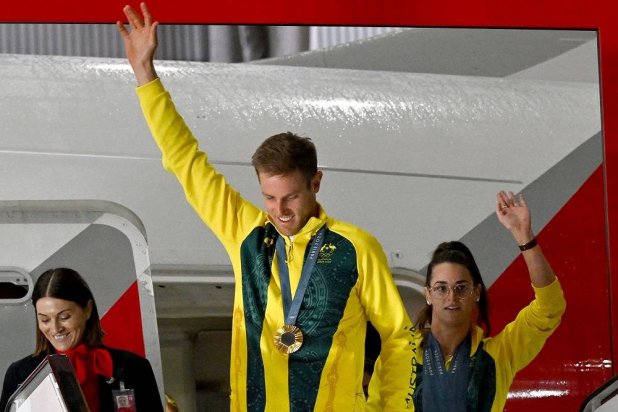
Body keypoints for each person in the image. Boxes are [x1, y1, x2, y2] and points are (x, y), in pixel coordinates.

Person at [116, 3, 415, 411]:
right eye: (270, 198)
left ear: (315, 182)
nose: (281, 210)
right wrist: (145, 75)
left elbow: (399, 338)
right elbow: (186, 162)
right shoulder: (247, 234)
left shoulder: (356, 248)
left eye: (291, 196)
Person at [394, 190, 566, 411]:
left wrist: (525, 237)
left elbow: (549, 308)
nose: (451, 297)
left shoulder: (498, 355)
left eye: (461, 288)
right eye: (441, 288)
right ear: (428, 294)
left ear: (476, 292)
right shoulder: (397, 358)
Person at [0, 268, 164, 412]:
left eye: (64, 317)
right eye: (44, 320)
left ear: (88, 309)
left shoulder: (132, 368)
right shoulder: (20, 373)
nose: (56, 328)